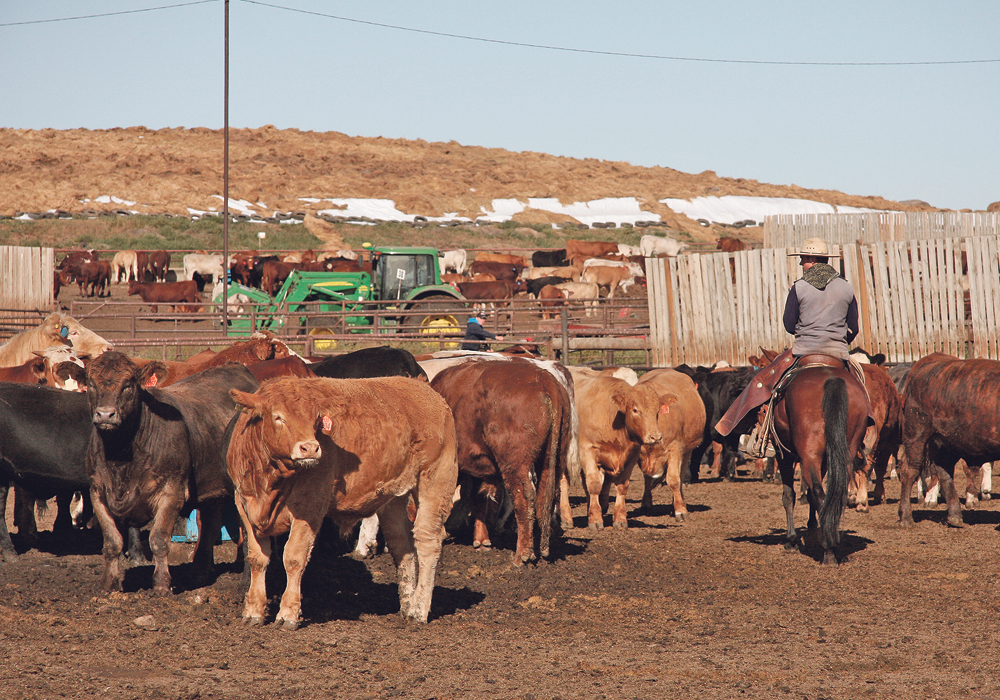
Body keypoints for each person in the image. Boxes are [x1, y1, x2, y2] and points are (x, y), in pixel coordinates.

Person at [716, 237, 861, 457]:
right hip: (837, 352)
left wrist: (807, 334)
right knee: (863, 388)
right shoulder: (846, 287)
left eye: (803, 259)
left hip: (804, 351)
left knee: (763, 383)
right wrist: (838, 341)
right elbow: (854, 327)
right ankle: (867, 434)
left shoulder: (799, 287)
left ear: (812, 260)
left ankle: (764, 435)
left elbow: (789, 324)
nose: (801, 263)